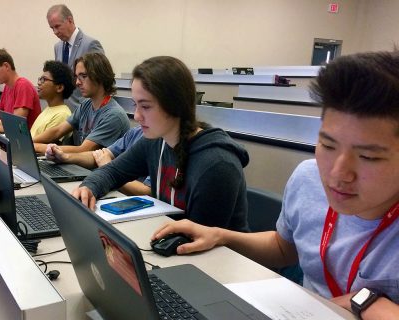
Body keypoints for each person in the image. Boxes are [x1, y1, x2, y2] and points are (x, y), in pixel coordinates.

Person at [152, 51, 399, 319]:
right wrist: (220, 236)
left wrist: (366, 303)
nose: (338, 173)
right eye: (327, 145)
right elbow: (284, 248)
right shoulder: (308, 179)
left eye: (368, 157)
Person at [72, 56, 250, 231]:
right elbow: (112, 171)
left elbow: (199, 240)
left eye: (146, 106)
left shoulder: (217, 164)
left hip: (219, 257)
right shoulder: (156, 142)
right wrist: (89, 187)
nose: (137, 116)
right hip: (170, 242)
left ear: (175, 105)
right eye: (135, 105)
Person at [33, 52, 129, 154]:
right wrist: (30, 142)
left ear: (100, 76)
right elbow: (58, 131)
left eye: (83, 76)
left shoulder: (113, 115)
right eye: (77, 77)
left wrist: (35, 147)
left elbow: (83, 150)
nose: (77, 82)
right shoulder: (86, 104)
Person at [46, 126, 151, 196]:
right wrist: (66, 157)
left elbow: (147, 192)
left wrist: (107, 165)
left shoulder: (114, 115)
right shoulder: (136, 132)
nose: (136, 115)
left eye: (145, 106)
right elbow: (99, 156)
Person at [47, 4, 105, 108]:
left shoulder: (91, 44)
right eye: (52, 28)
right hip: (62, 110)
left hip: (84, 110)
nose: (55, 32)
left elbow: (100, 81)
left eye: (57, 26)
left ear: (70, 20)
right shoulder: (57, 47)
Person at [0, 49, 41, 133]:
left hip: (24, 141)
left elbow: (16, 125)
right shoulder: (7, 87)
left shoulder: (23, 86)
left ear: (6, 66)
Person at [30, 60, 73, 139]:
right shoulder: (48, 109)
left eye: (44, 79)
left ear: (59, 88)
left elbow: (46, 147)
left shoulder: (62, 114)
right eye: (40, 79)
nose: (39, 83)